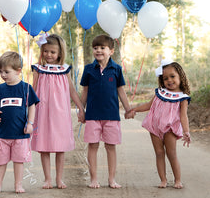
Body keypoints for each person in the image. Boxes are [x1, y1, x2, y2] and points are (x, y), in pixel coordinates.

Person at [31, 33, 84, 189]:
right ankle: (47, 179)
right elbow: (33, 90)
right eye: (46, 51)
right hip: (42, 112)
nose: (49, 55)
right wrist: (27, 108)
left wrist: (80, 107)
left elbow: (72, 90)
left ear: (60, 53)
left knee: (60, 147)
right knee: (44, 146)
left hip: (60, 113)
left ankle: (59, 179)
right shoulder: (38, 69)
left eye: (52, 52)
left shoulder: (64, 69)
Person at [79, 34, 131, 189]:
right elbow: (85, 92)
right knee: (92, 146)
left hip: (111, 116)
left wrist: (128, 109)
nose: (98, 50)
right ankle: (94, 179)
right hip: (93, 115)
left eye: (102, 48)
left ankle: (111, 179)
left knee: (111, 146)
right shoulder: (89, 69)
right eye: (95, 48)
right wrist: (81, 110)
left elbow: (121, 91)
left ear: (111, 51)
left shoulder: (117, 69)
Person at [129, 60, 191, 189]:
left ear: (180, 76)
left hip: (170, 128)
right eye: (165, 78)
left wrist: (186, 131)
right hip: (155, 126)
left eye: (172, 76)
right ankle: (163, 180)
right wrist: (134, 109)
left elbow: (183, 116)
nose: (169, 80)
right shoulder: (160, 92)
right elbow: (148, 105)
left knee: (171, 153)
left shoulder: (182, 97)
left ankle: (177, 180)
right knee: (158, 153)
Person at [0, 51, 39, 194]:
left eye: (6, 71)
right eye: (1, 71)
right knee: (1, 161)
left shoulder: (26, 88)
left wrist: (30, 123)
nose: (3, 75)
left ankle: (18, 185)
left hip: (20, 133)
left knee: (19, 161)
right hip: (2, 134)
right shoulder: (0, 89)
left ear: (18, 71)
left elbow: (32, 106)